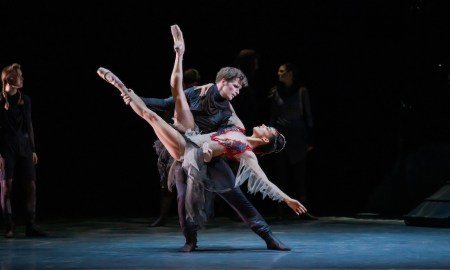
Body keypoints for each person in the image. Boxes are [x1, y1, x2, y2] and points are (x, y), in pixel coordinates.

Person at [98, 24, 307, 252]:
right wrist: (138, 99)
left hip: (206, 158)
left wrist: (287, 199)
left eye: (269, 129)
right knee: (181, 193)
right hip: (189, 141)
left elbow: (264, 180)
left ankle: (268, 236)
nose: (237, 91)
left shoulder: (233, 119)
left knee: (235, 196)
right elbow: (170, 102)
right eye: (235, 86)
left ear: (266, 140)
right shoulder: (197, 93)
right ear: (223, 82)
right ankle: (190, 240)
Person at [149, 68, 203, 227]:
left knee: (192, 181)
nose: (192, 88)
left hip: (192, 142)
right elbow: (166, 121)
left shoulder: (197, 97)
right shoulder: (176, 98)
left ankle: (192, 218)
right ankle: (164, 216)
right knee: (169, 181)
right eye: (189, 85)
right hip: (175, 141)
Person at [0, 63, 47, 238]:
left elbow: (29, 125)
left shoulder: (25, 99)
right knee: (6, 187)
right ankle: (9, 226)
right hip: (6, 148)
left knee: (31, 186)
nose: (22, 78)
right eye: (19, 75)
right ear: (9, 79)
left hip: (24, 147)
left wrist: (33, 149)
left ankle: (31, 226)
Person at [268, 62, 316, 220]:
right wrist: (270, 136)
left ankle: (303, 210)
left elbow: (308, 116)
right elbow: (273, 117)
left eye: (282, 71)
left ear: (290, 74)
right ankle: (281, 209)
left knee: (300, 174)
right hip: (282, 136)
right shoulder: (276, 92)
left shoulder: (301, 91)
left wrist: (309, 139)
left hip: (298, 135)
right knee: (282, 174)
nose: (279, 74)